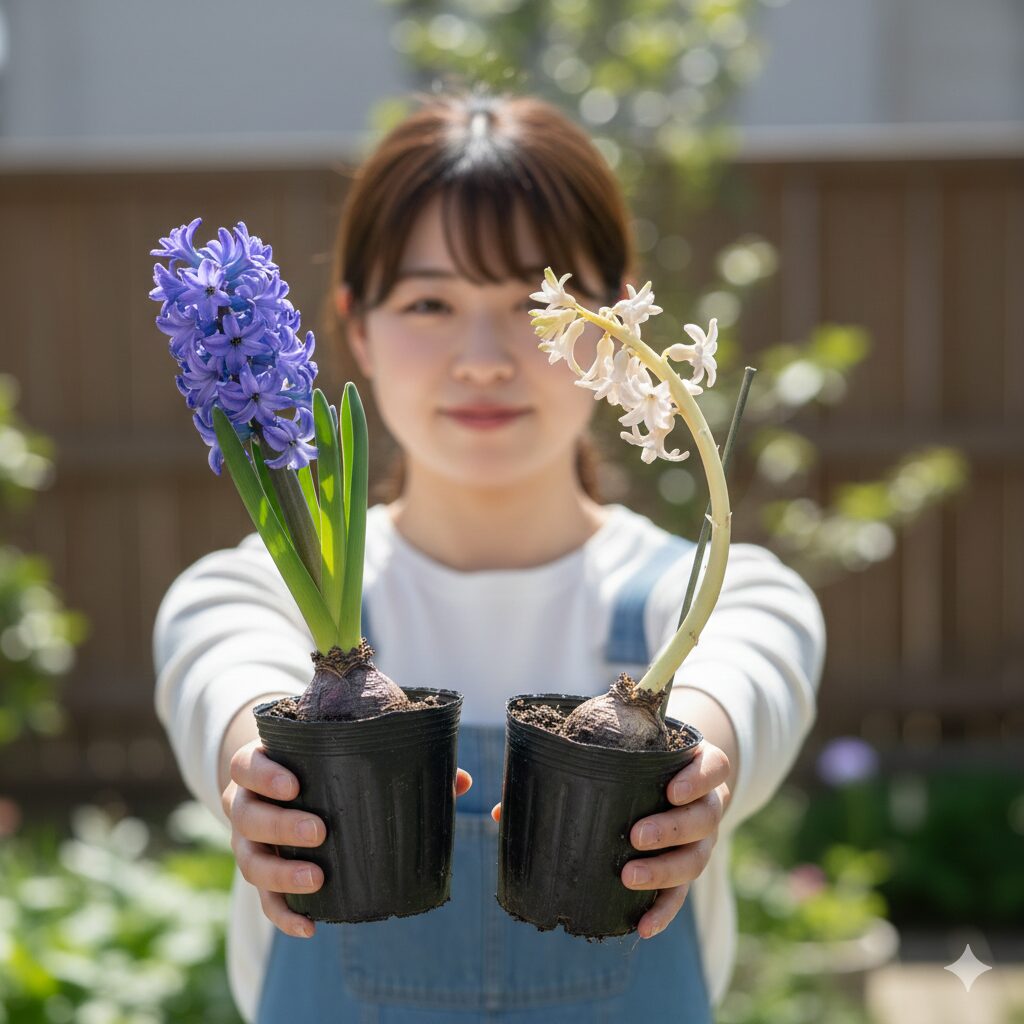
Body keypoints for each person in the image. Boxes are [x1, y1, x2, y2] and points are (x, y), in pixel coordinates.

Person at [153, 85, 827, 1023]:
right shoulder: (248, 594)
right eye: (430, 300)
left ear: (620, 321)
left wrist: (691, 770)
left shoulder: (709, 595)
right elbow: (220, 674)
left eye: (532, 302)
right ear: (354, 325)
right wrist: (259, 780)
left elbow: (749, 677)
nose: (484, 357)